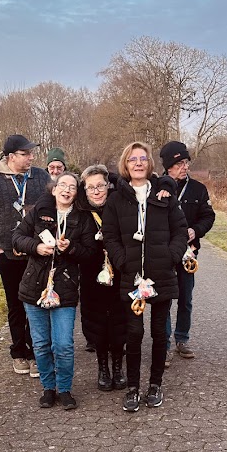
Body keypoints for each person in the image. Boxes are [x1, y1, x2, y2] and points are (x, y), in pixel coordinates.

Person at [102, 141, 188, 412]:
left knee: (159, 332)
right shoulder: (116, 199)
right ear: (125, 165)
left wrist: (171, 256)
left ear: (150, 163)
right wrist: (122, 261)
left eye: (142, 159)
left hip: (161, 273)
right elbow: (110, 235)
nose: (138, 163)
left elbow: (180, 230)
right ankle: (132, 388)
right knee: (134, 332)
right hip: (132, 276)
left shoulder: (164, 194)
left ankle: (155, 384)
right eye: (132, 159)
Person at [11, 172, 97, 409]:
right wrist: (36, 247)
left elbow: (90, 254)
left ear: (76, 194)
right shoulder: (39, 212)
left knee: (63, 345)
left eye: (72, 187)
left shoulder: (83, 218)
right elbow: (17, 238)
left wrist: (71, 248)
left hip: (65, 288)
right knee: (40, 344)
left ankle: (65, 389)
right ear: (54, 189)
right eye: (63, 185)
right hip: (34, 287)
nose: (67, 190)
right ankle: (48, 388)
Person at [0, 135, 51, 376]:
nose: (31, 157)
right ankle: (19, 352)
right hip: (8, 255)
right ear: (11, 157)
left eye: (31, 153)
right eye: (25, 154)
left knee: (37, 303)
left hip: (36, 252)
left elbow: (52, 207)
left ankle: (36, 353)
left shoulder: (41, 176)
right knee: (16, 305)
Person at [159, 141, 215, 362]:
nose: (185, 167)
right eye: (179, 163)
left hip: (188, 253)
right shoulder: (156, 187)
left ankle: (182, 338)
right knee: (163, 298)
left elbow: (208, 216)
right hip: (163, 252)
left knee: (185, 297)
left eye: (186, 162)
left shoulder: (198, 189)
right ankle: (163, 343)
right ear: (168, 166)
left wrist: (196, 230)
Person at [76, 164, 127, 392]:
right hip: (91, 275)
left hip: (119, 273)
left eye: (101, 186)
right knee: (97, 324)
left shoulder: (119, 206)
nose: (96, 192)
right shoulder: (80, 211)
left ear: (109, 186)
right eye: (91, 187)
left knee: (119, 322)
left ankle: (118, 367)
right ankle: (103, 368)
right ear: (84, 190)